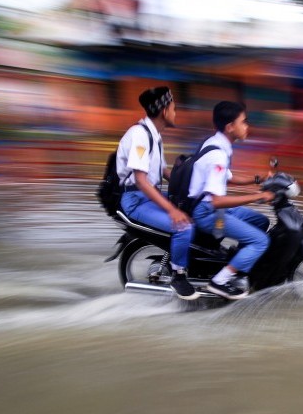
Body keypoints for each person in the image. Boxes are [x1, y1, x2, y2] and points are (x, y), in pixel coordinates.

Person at [117, 86, 199, 300]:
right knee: (183, 226)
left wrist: (193, 190)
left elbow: (163, 171)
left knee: (195, 213)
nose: (175, 113)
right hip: (136, 199)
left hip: (148, 195)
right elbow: (142, 181)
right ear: (164, 111)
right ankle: (178, 275)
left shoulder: (154, 136)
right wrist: (172, 210)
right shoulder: (140, 135)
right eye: (174, 108)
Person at [189, 101, 274, 300]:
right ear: (230, 127)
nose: (247, 126)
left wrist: (256, 179)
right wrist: (259, 196)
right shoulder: (218, 154)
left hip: (209, 208)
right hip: (207, 213)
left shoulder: (216, 143)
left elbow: (226, 176)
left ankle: (237, 264)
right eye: (243, 122)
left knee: (262, 222)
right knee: (261, 241)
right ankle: (219, 282)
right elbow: (217, 201)